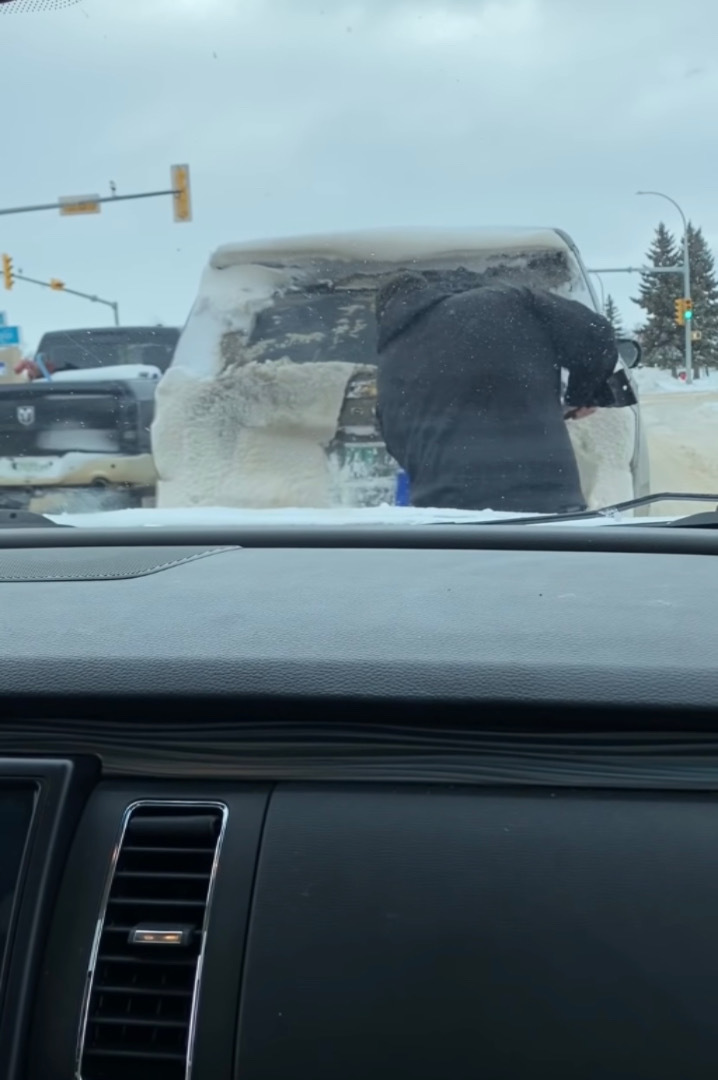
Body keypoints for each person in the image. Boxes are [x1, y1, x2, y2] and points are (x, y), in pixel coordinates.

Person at [374, 270, 621, 514]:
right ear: (428, 292)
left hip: (446, 517)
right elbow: (595, 332)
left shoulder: (389, 365)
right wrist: (583, 394)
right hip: (543, 502)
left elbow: (400, 446)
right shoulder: (504, 300)